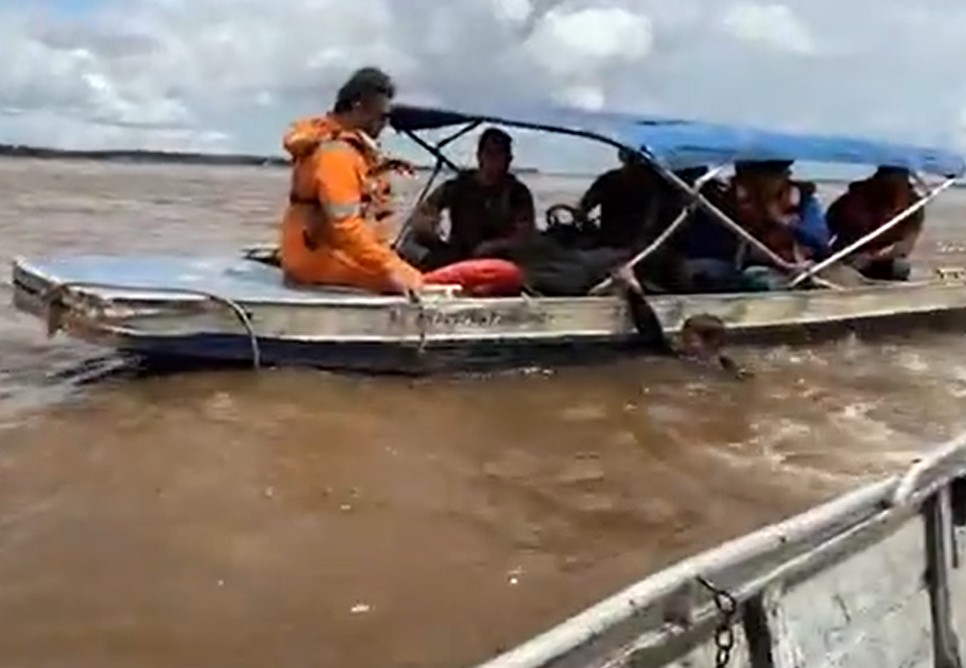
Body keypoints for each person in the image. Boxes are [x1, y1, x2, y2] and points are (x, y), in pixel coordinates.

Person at [278, 67, 423, 295]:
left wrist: (383, 166)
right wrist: (390, 266)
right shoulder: (336, 154)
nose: (385, 124)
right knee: (412, 280)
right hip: (316, 257)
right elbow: (345, 228)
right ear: (358, 107)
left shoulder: (344, 148)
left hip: (315, 251)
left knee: (405, 264)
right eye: (382, 116)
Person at [403, 127, 536, 270]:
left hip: (497, 260)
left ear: (508, 160)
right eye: (489, 153)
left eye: (499, 154)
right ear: (479, 156)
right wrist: (429, 224)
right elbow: (426, 209)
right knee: (411, 241)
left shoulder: (517, 193)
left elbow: (524, 237)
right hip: (457, 254)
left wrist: (494, 246)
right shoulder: (459, 185)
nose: (493, 160)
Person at [723, 160, 830, 291]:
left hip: (803, 266)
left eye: (774, 174)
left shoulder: (804, 201)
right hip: (751, 268)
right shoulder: (728, 202)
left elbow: (820, 240)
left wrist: (784, 222)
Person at [825, 166, 924, 281]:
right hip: (846, 254)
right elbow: (827, 230)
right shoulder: (853, 198)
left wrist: (872, 258)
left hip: (880, 259)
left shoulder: (913, 206)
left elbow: (904, 246)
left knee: (901, 268)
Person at [576, 148, 662, 250]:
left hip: (627, 245)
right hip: (627, 244)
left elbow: (584, 208)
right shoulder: (657, 183)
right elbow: (584, 208)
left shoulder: (610, 179)